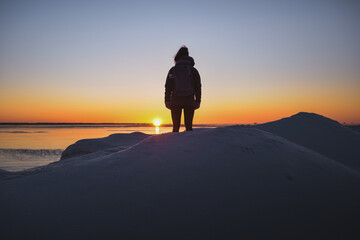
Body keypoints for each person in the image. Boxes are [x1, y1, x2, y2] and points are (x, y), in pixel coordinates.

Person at [165, 46, 202, 132]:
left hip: (175, 100)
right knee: (189, 127)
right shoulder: (194, 71)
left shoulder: (173, 70)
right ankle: (190, 145)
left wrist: (167, 100)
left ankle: (174, 145)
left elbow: (168, 86)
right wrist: (198, 100)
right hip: (189, 100)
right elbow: (198, 87)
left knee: (175, 128)